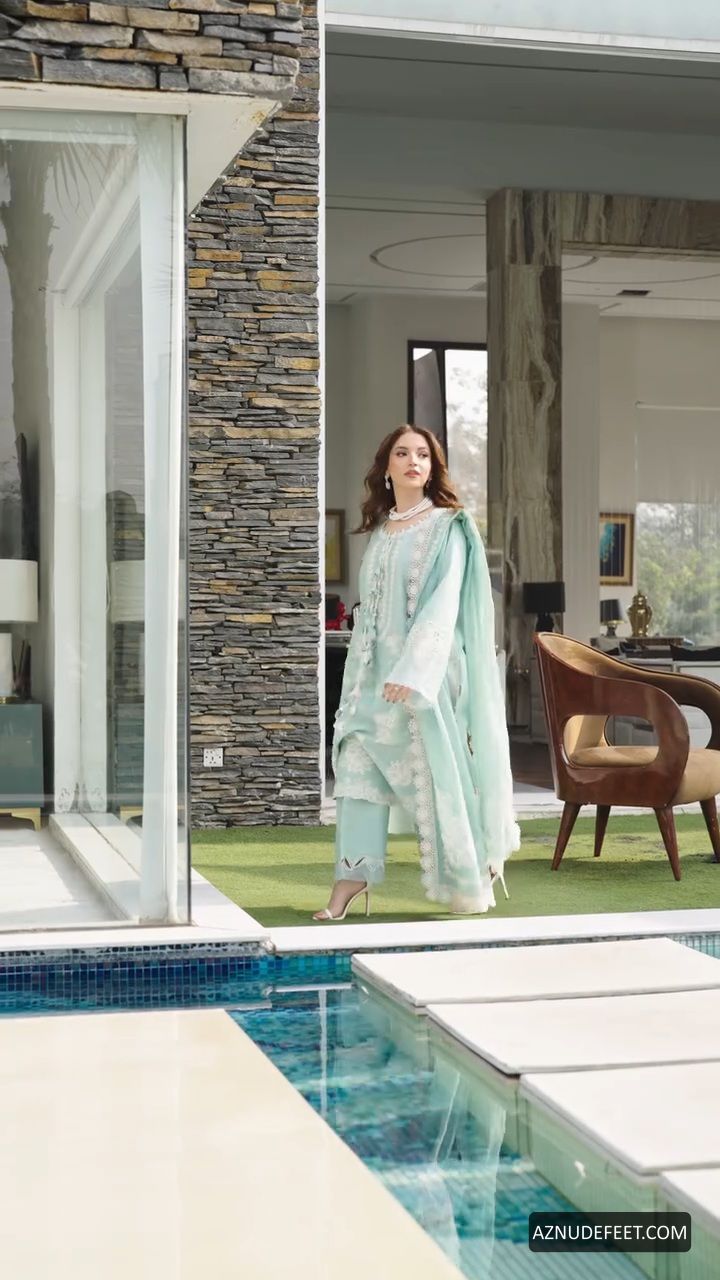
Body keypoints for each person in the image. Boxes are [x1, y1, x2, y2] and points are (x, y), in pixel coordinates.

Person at [314, 426, 520, 921]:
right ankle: (351, 878)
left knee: (437, 780)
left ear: (433, 467)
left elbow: (443, 603)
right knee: (356, 773)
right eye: (402, 453)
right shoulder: (382, 530)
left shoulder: (449, 526)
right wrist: (359, 680)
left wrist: (414, 670)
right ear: (386, 467)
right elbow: (371, 614)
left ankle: (470, 873)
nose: (413, 461)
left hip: (424, 680)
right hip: (371, 683)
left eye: (423, 454)